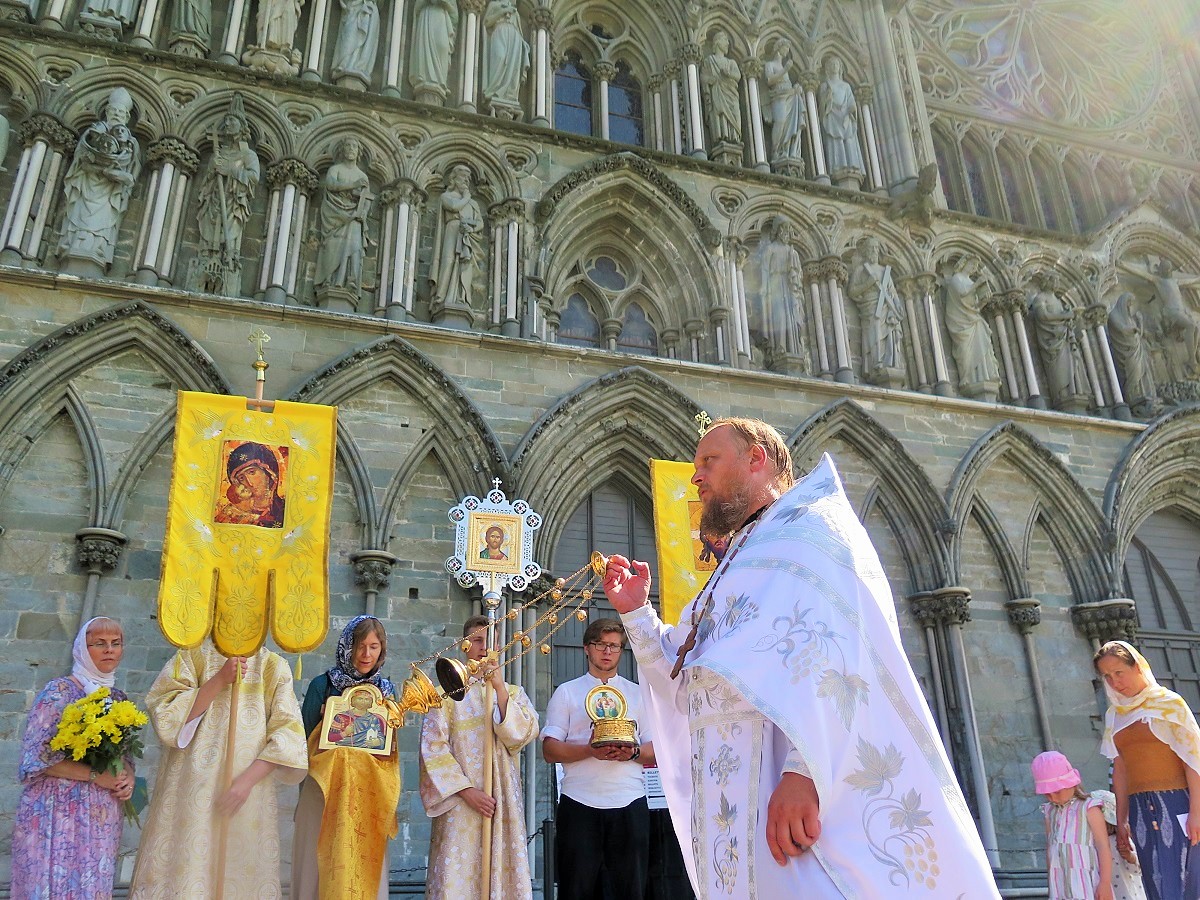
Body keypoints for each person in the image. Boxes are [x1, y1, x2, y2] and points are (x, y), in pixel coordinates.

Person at [601, 417, 999, 898]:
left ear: (756, 458)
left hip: (790, 794)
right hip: (730, 808)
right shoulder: (735, 564)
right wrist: (636, 612)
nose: (696, 476)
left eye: (709, 460)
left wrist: (803, 774)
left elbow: (841, 654)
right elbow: (683, 677)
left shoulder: (810, 533)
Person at [128, 641, 308, 898]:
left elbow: (289, 734)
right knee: (188, 870)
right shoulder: (191, 656)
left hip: (245, 794)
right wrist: (220, 679)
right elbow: (166, 716)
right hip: (191, 791)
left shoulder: (272, 666)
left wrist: (246, 782)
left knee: (238, 874)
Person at [11, 617, 134, 900]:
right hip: (58, 811)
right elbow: (36, 757)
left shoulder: (118, 698)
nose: (109, 650)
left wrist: (126, 778)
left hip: (101, 815)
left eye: (116, 643)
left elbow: (125, 755)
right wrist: (96, 776)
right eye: (99, 643)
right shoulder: (59, 692)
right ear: (82, 649)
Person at [419, 614, 540, 898]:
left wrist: (498, 688)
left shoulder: (512, 693)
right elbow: (433, 748)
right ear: (463, 645)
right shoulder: (446, 696)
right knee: (456, 876)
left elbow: (522, 734)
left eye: (490, 641)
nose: (484, 647)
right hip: (460, 802)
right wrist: (466, 791)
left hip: (500, 800)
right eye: (476, 640)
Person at [541, 618, 657, 900]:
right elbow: (550, 750)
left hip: (629, 801)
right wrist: (589, 751)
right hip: (579, 803)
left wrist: (633, 753)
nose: (607, 651)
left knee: (631, 891)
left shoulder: (637, 694)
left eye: (614, 646)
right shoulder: (567, 692)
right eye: (600, 644)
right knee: (576, 891)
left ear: (621, 651)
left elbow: (656, 749)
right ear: (587, 648)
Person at [293, 615, 398, 900]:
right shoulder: (322, 685)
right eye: (359, 645)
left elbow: (389, 747)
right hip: (323, 791)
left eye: (374, 647)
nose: (366, 654)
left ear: (382, 649)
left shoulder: (387, 692)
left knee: (362, 863)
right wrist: (328, 721)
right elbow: (303, 739)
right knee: (315, 862)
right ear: (347, 646)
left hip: (367, 793)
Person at [1095, 640, 1200, 900]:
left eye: (1119, 672)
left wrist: (1197, 813)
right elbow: (1120, 769)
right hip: (1139, 809)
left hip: (1178, 804)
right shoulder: (1115, 715)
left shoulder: (1169, 704)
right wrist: (1121, 820)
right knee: (1155, 881)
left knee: (1184, 880)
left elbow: (1193, 761)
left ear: (1137, 667)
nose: (1115, 682)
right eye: (1107, 676)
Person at [58, 86, 140, 273]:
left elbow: (131, 173)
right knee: (80, 215)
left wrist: (117, 170)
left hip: (109, 192)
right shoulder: (93, 131)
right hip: (87, 184)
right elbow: (81, 157)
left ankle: (98, 250)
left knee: (103, 221)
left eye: (121, 112)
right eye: (114, 111)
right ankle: (73, 245)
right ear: (107, 112)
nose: (116, 114)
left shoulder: (131, 143)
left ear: (127, 117)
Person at [190, 94, 259, 296]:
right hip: (215, 199)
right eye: (226, 120)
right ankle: (207, 258)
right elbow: (207, 181)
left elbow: (254, 176)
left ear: (242, 127)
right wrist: (213, 169)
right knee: (209, 229)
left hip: (233, 200)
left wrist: (231, 171)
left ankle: (228, 262)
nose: (227, 124)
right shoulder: (218, 153)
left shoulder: (248, 155)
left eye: (232, 121)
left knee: (231, 231)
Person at [1031, 750, 1114, 900]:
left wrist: (1105, 883)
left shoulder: (1089, 808)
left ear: (1071, 783)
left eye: (1057, 791)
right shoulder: (1049, 811)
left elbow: (1103, 846)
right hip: (1060, 883)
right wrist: (1051, 884)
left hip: (1086, 883)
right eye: (1047, 794)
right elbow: (1050, 849)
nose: (1052, 797)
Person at [314, 137, 372, 295]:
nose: (351, 148)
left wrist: (363, 212)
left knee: (354, 245)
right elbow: (331, 185)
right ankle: (329, 280)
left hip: (354, 216)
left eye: (354, 146)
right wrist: (353, 185)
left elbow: (367, 198)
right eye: (348, 145)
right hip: (334, 214)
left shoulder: (362, 176)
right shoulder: (336, 169)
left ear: (358, 152)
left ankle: (349, 280)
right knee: (332, 245)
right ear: (342, 149)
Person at [429, 164, 484, 312]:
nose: (466, 180)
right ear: (453, 178)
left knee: (464, 265)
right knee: (448, 262)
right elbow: (454, 207)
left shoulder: (473, 204)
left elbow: (480, 222)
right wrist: (466, 197)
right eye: (463, 177)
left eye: (468, 178)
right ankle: (442, 297)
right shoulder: (446, 196)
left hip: (466, 235)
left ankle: (461, 298)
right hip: (452, 231)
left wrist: (472, 229)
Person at [213, 441, 286, 527]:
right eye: (241, 478)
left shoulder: (285, 510)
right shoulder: (230, 515)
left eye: (252, 472)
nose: (249, 483)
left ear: (269, 473)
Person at [1093, 790, 1148, 900]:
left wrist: (1130, 857)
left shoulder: (1120, 840)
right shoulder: (1092, 843)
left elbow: (1138, 870)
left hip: (1127, 894)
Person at [481, 0, 529, 116]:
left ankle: (509, 96)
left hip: (515, 38)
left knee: (513, 68)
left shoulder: (515, 12)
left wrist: (524, 45)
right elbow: (487, 22)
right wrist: (503, 11)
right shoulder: (494, 5)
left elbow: (519, 31)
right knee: (500, 57)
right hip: (499, 32)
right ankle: (494, 92)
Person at [817, 56, 864, 175]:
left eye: (836, 64)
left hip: (845, 118)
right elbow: (821, 106)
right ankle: (838, 168)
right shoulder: (825, 85)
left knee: (849, 141)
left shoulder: (846, 86)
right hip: (832, 116)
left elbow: (851, 102)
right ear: (827, 68)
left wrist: (851, 109)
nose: (834, 66)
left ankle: (852, 167)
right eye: (831, 64)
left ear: (840, 68)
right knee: (835, 141)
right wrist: (827, 98)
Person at [409, 0, 458, 103]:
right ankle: (423, 80)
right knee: (424, 47)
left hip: (442, 18)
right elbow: (417, 7)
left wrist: (445, 4)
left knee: (442, 45)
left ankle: (441, 83)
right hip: (427, 16)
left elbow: (455, 16)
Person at [701, 29, 742, 146]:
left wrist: (728, 74)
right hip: (717, 92)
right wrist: (711, 79)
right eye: (725, 40)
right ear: (717, 42)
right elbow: (703, 77)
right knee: (719, 114)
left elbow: (738, 76)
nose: (728, 43)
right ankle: (721, 137)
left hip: (731, 93)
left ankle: (734, 137)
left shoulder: (731, 62)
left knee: (735, 113)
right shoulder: (709, 60)